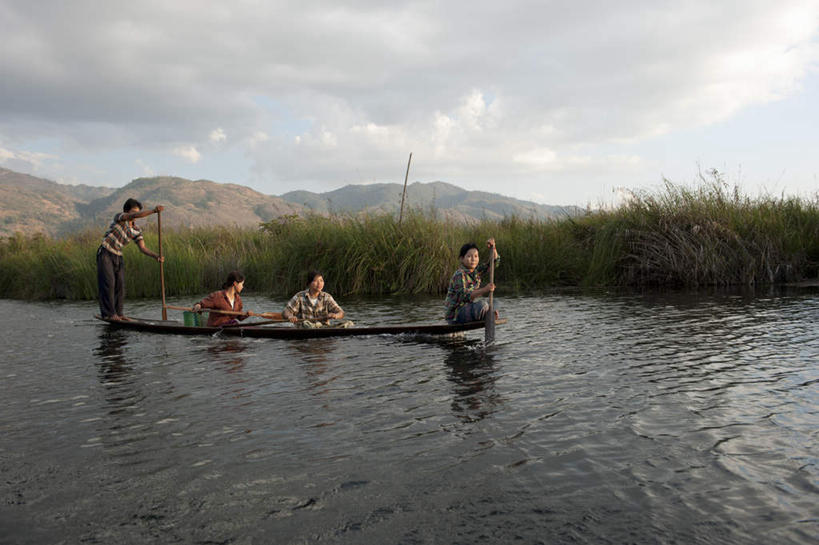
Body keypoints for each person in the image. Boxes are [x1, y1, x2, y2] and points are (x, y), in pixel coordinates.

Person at [97, 198, 164, 320]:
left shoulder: (136, 230)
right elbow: (135, 215)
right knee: (109, 283)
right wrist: (154, 211)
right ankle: (109, 314)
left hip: (118, 255)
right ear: (127, 211)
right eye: (133, 212)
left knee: (120, 285)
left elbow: (143, 248)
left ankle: (119, 314)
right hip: (105, 252)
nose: (135, 216)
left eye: (137, 212)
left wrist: (156, 256)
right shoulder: (120, 217)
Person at [444, 238, 500, 324]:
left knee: (495, 302)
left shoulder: (475, 272)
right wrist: (485, 289)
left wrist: (493, 248)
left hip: (467, 309)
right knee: (483, 305)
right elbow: (465, 295)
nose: (473, 259)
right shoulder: (459, 275)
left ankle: (488, 314)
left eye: (476, 256)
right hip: (456, 314)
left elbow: (493, 263)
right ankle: (486, 314)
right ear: (462, 259)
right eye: (469, 256)